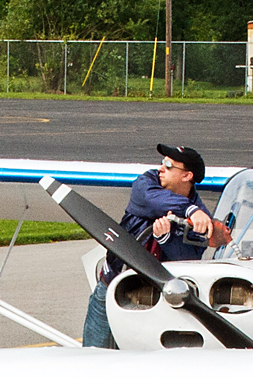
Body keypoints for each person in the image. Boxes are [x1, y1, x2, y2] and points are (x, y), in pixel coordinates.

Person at [81, 142, 233, 347]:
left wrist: (165, 239)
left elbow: (187, 261)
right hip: (112, 288)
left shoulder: (201, 221)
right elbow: (149, 198)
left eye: (169, 166)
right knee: (94, 356)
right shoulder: (148, 183)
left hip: (156, 302)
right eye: (163, 163)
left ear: (187, 176)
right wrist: (189, 210)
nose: (161, 168)